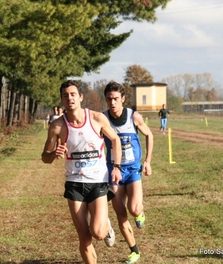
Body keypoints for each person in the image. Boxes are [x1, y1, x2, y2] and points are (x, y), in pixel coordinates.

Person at [41, 80, 122, 264]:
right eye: (65, 95)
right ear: (61, 99)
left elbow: (115, 140)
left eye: (73, 94)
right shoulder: (57, 126)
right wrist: (54, 153)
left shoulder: (96, 119)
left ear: (80, 97)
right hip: (74, 183)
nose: (69, 98)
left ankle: (106, 226)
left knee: (98, 233)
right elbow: (44, 157)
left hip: (97, 181)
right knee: (84, 238)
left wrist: (116, 167)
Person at [102, 81, 153, 264]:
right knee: (120, 213)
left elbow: (149, 135)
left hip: (132, 170)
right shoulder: (102, 119)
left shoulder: (134, 117)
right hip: (113, 171)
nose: (113, 102)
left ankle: (140, 213)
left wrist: (147, 161)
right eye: (109, 99)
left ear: (123, 99)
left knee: (133, 208)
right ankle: (134, 250)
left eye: (116, 98)